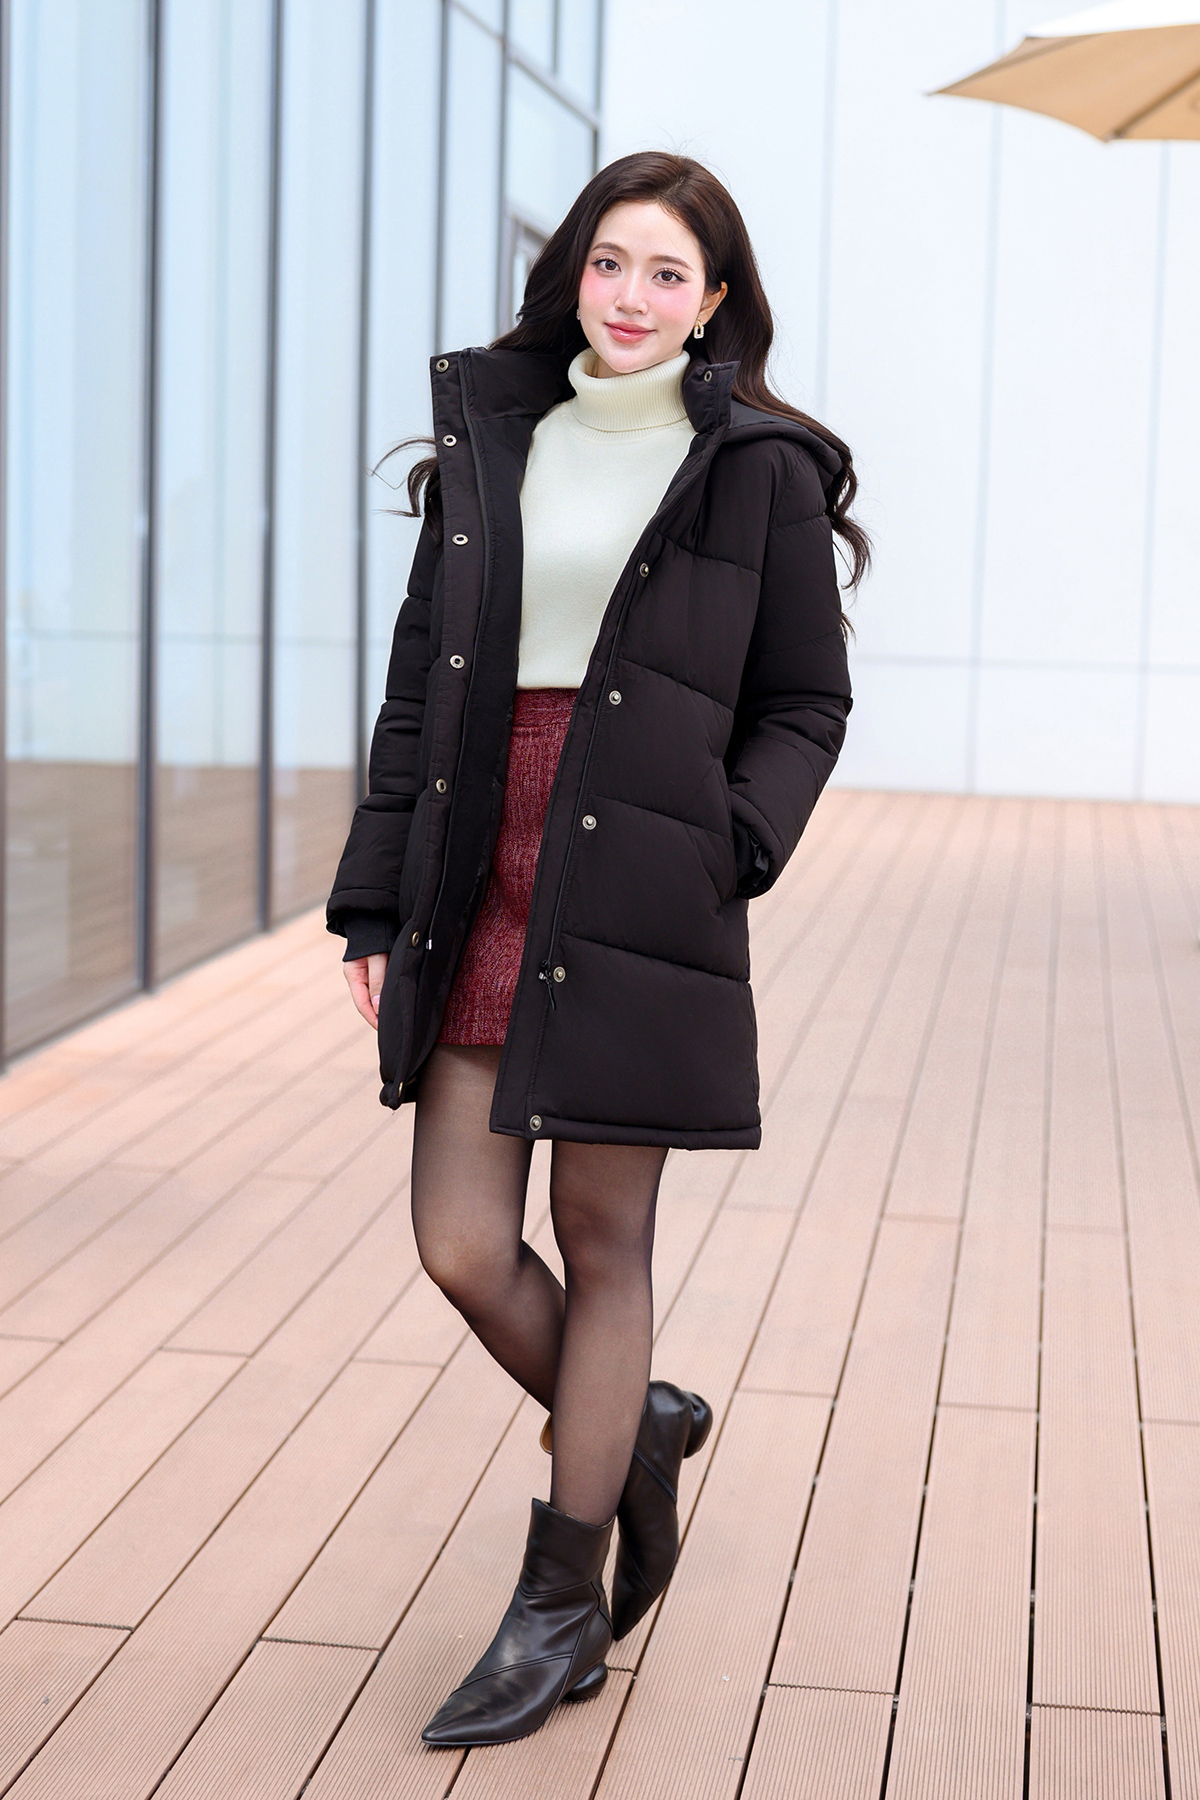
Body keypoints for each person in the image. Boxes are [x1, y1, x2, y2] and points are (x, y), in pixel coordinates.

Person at [327, 151, 864, 1748]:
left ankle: (559, 1604)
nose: (632, 297)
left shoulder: (755, 468)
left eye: (668, 275)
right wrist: (373, 898)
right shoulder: (494, 445)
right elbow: (419, 689)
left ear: (713, 305)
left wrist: (728, 844)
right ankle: (633, 1421)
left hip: (640, 871)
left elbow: (805, 702)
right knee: (460, 1241)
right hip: (478, 857)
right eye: (611, 263)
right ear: (574, 274)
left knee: (601, 1233)